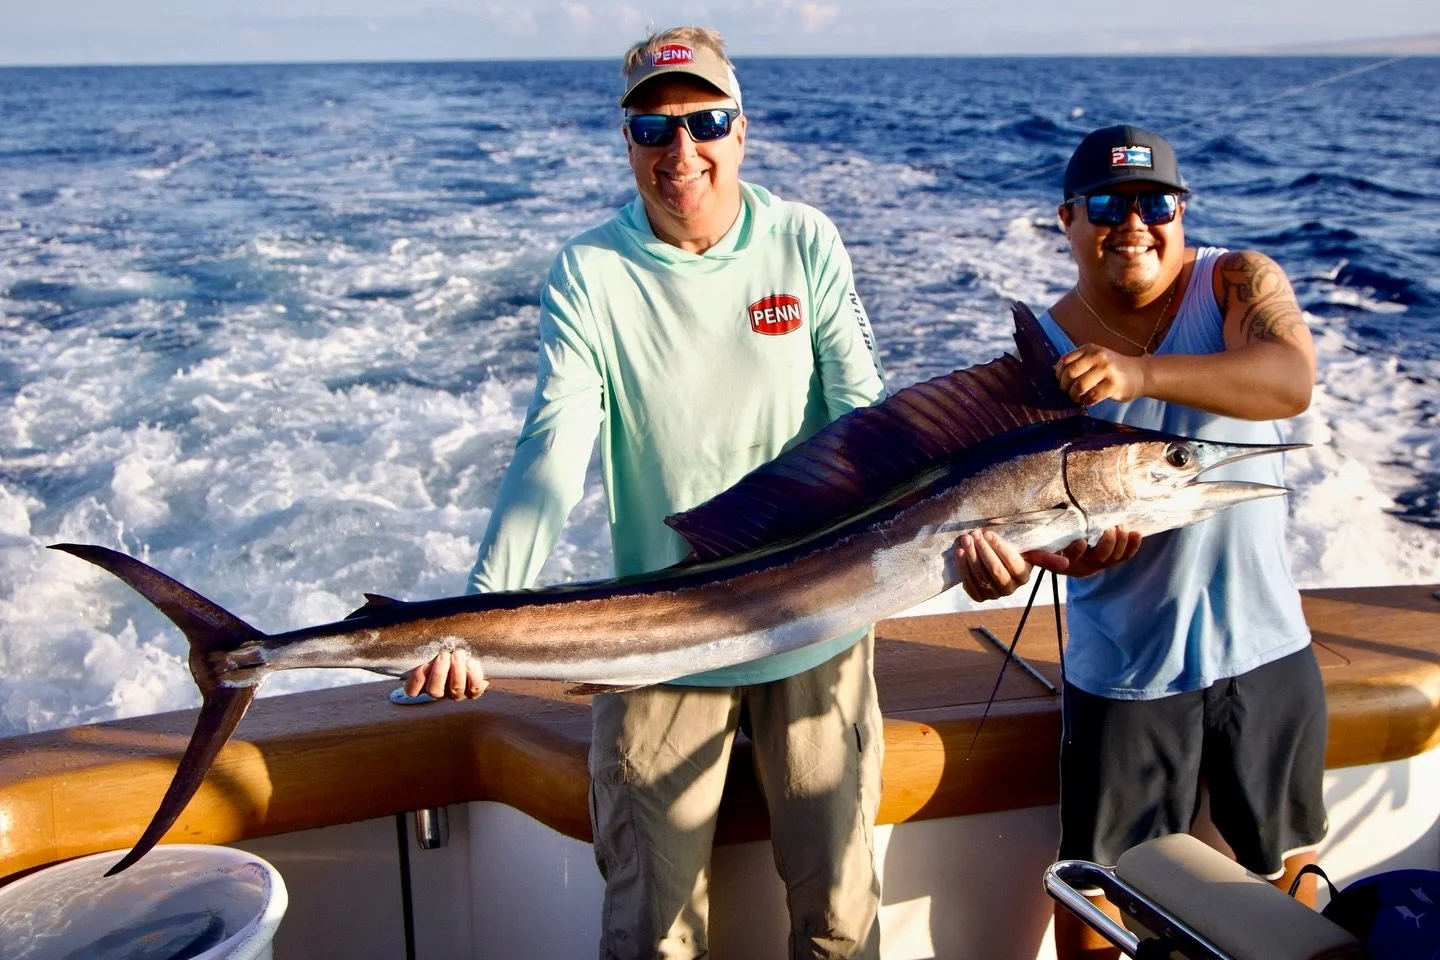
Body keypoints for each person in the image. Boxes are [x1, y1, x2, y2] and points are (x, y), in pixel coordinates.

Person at [402, 26, 888, 959]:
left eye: (705, 122)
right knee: (651, 936)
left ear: (742, 130)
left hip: (816, 619)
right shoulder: (590, 272)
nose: (682, 153)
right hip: (657, 642)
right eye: (652, 130)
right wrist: (474, 614)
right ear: (626, 142)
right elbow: (554, 450)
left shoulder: (804, 241)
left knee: (839, 923)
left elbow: (864, 422)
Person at [957, 125, 1327, 959]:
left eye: (1155, 203)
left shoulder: (1236, 281)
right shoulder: (1043, 355)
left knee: (1288, 873)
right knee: (1097, 899)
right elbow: (1035, 522)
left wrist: (1140, 376)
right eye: (1107, 205)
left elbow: (1288, 378)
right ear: (1067, 218)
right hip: (1126, 667)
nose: (1134, 223)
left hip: (1267, 650)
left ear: (1182, 211)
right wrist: (1050, 559)